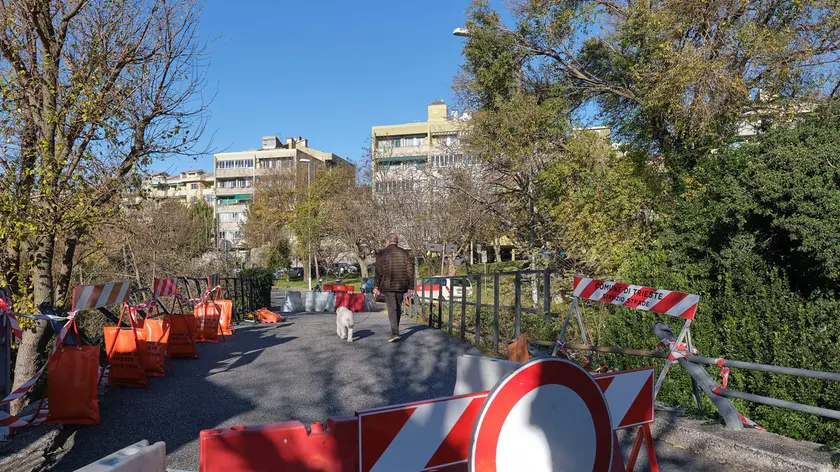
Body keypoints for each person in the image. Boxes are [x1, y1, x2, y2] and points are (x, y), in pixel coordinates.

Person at [373, 233, 414, 342]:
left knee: (392, 308)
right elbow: (410, 271)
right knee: (398, 307)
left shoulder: (382, 253)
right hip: (401, 284)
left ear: (387, 241)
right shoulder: (405, 253)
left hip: (388, 284)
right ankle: (395, 330)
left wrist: (376, 286)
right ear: (397, 242)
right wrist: (411, 286)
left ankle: (395, 333)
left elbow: (378, 272)